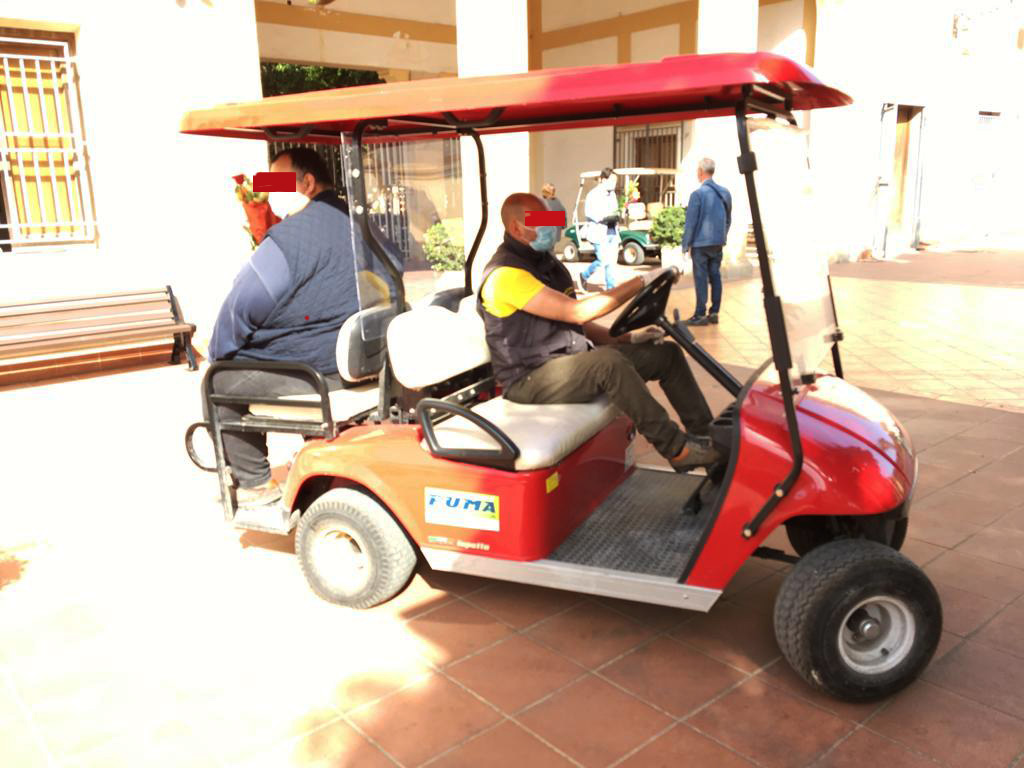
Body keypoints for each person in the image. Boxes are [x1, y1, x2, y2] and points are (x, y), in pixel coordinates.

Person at [478, 192, 720, 472]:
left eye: (551, 220)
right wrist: (641, 281)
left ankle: (708, 440)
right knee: (608, 364)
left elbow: (574, 323)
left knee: (666, 355)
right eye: (542, 222)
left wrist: (628, 338)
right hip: (528, 378)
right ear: (516, 229)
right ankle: (677, 450)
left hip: (565, 363)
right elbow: (576, 312)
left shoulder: (546, 263)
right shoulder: (505, 274)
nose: (552, 229)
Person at [205, 148, 360, 510]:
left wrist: (218, 352)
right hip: (358, 354)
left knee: (220, 379)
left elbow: (240, 308)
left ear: (306, 183)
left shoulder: (291, 239)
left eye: (277, 182)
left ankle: (256, 484)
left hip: (320, 368)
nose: (269, 192)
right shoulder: (358, 220)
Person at [680, 157, 732, 326]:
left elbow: (691, 223)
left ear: (701, 172)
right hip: (717, 242)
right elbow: (728, 218)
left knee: (701, 277)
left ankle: (700, 314)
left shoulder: (697, 195)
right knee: (715, 275)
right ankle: (714, 312)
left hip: (701, 244)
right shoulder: (725, 193)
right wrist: (722, 235)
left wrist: (685, 245)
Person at [578, 167, 621, 291]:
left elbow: (615, 209)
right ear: (602, 180)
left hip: (612, 232)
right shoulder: (593, 194)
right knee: (602, 260)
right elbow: (589, 213)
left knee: (611, 263)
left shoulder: (612, 194)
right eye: (611, 181)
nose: (614, 184)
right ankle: (584, 275)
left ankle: (610, 288)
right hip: (599, 231)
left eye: (615, 181)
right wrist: (605, 217)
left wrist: (618, 216)